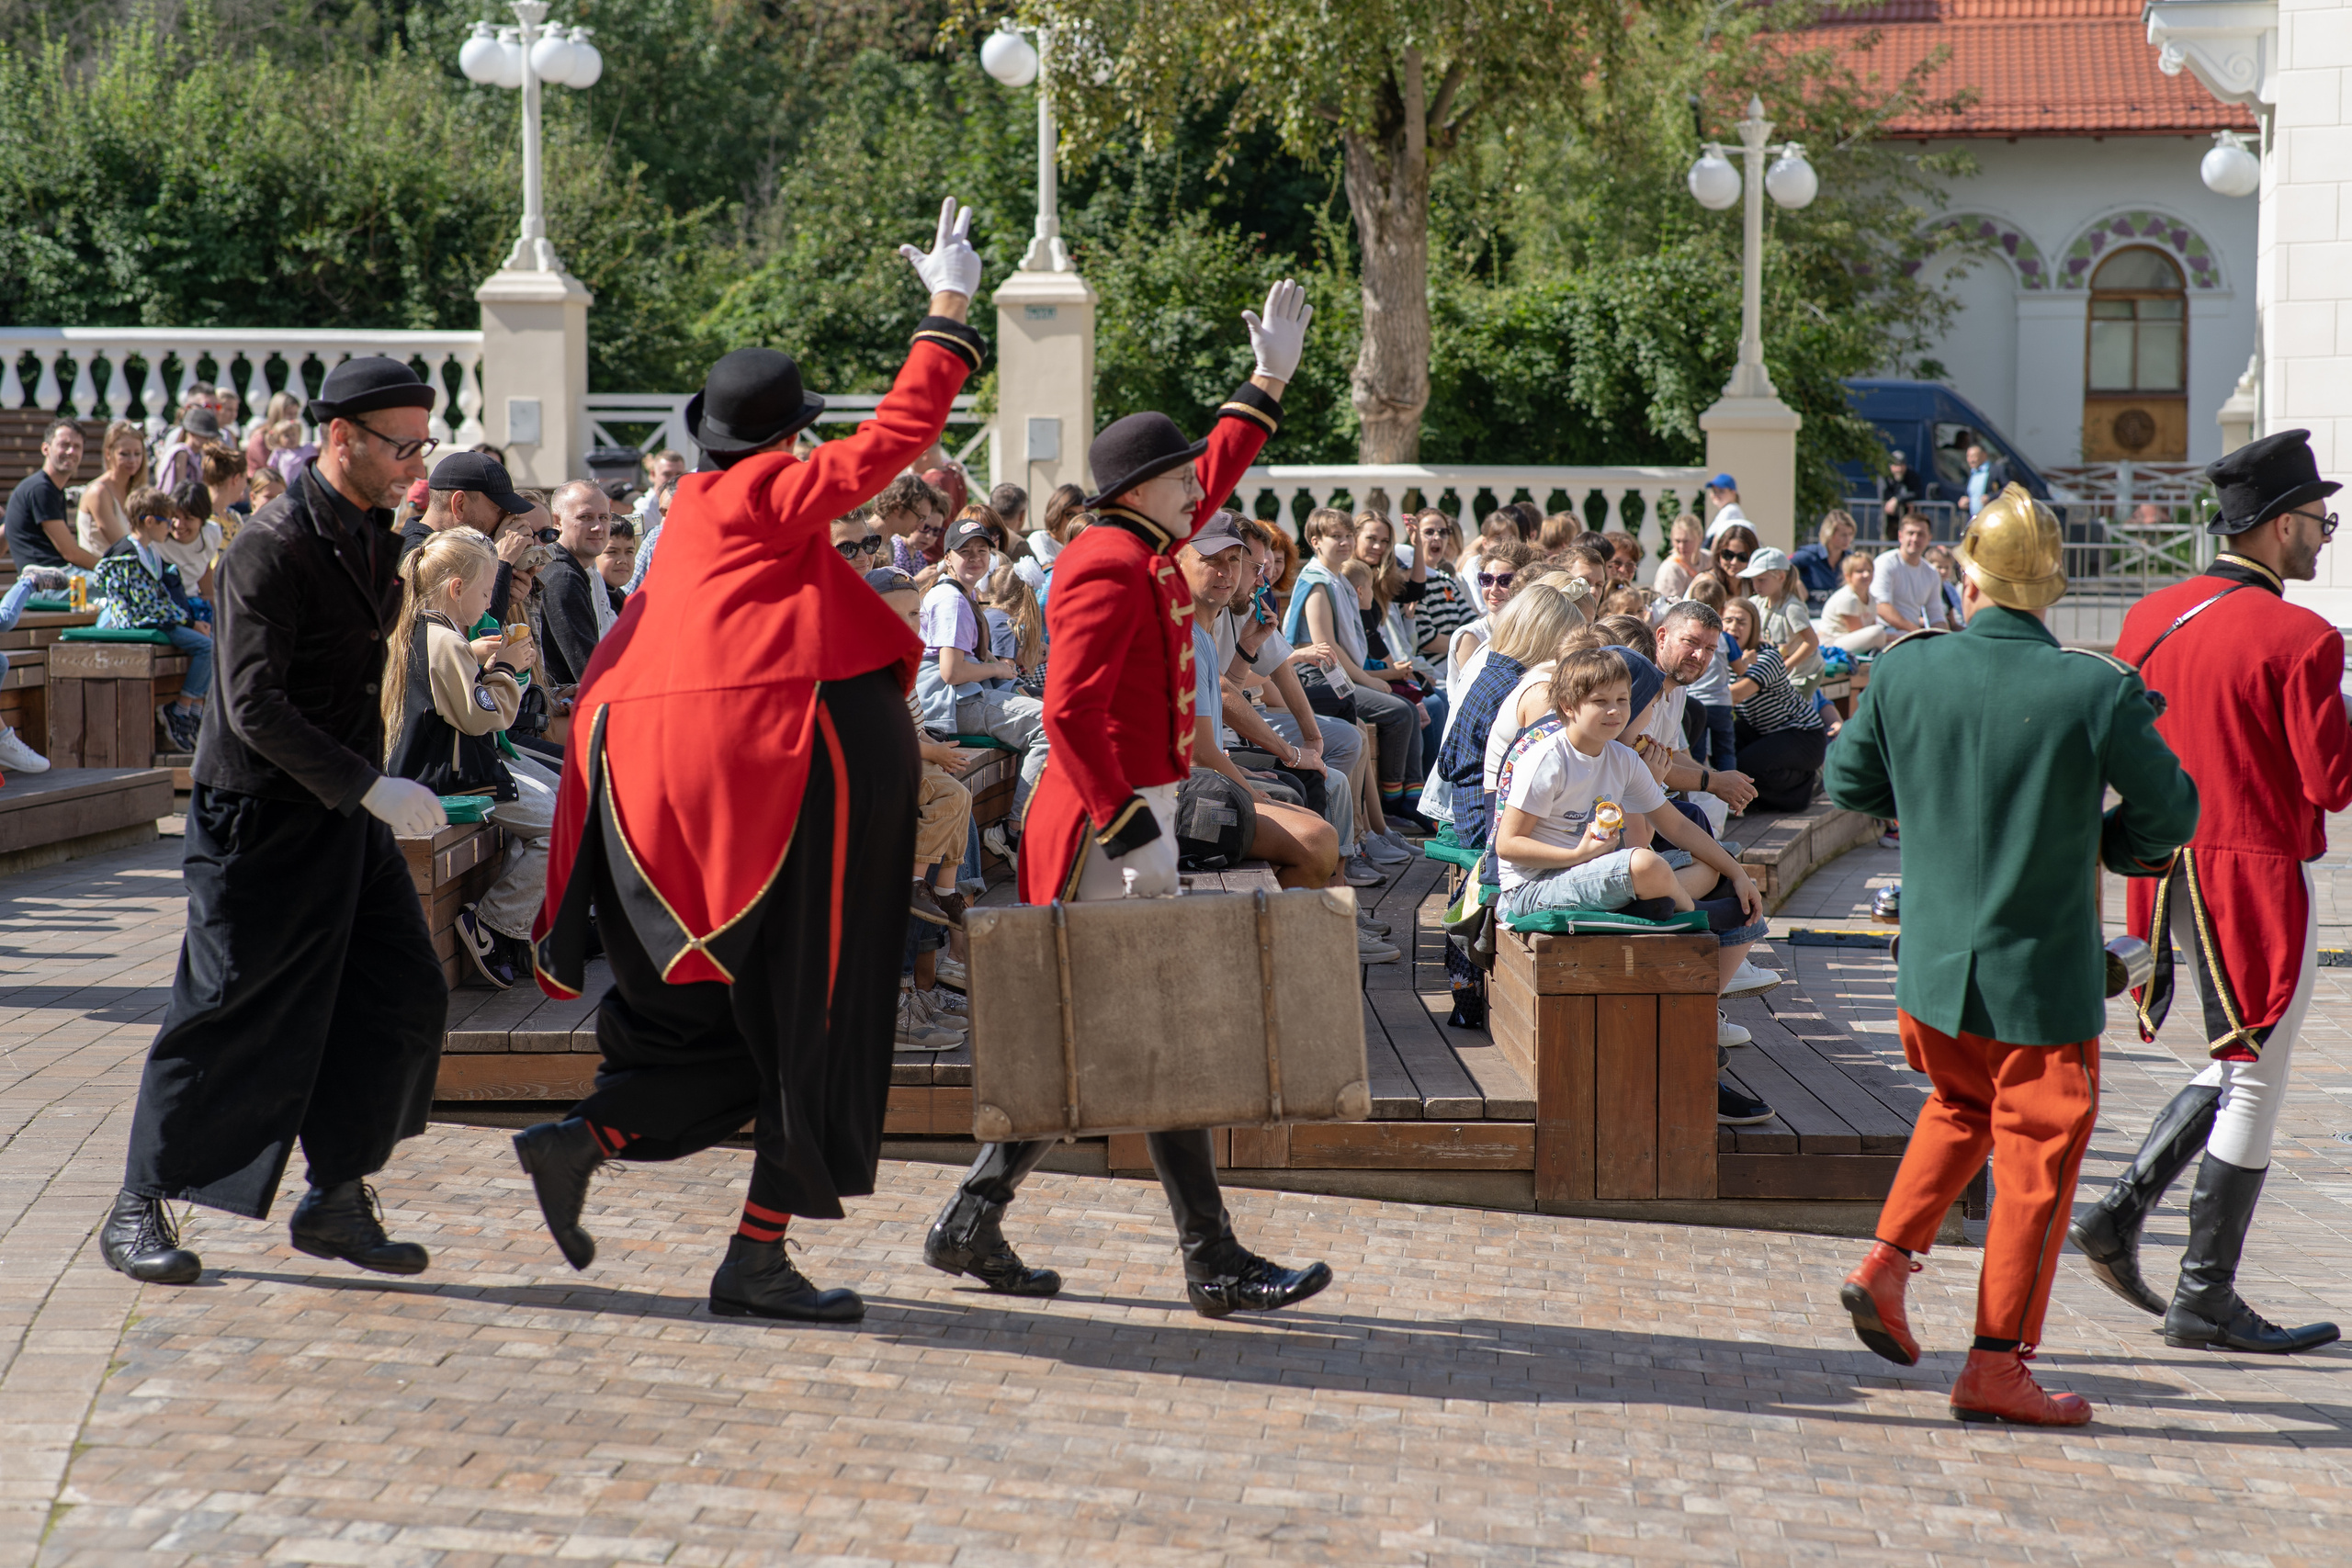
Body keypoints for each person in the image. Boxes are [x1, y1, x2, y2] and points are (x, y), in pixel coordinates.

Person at [509, 196, 989, 1324]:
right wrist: (947, 311)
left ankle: (586, 1141)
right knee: (813, 1018)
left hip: (691, 789)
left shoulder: (697, 510)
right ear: (786, 440)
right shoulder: (767, 491)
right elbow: (893, 440)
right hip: (772, 794)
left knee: (744, 1029)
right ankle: (756, 1259)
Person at [925, 277, 1334, 1319]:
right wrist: (1128, 820)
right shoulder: (1107, 567)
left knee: (1117, 1032)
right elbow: (1068, 714)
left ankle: (978, 1218)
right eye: (1183, 481)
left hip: (1129, 814)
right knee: (1151, 1030)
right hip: (1104, 824)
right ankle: (1210, 1259)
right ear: (1145, 489)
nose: (1202, 492)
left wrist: (1267, 383)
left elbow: (1218, 462)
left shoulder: (1138, 542)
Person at [1829, 483, 2198, 1426]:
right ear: (2053, 587)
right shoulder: (2095, 685)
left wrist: (1938, 811)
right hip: (2038, 977)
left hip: (1932, 969)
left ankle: (1887, 1261)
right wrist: (2104, 846)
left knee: (1959, 1107)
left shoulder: (1907, 668)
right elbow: (2172, 813)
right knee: (2038, 1154)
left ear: (1967, 578)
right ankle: (1996, 1362)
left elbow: (1848, 780)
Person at [99, 355, 450, 1288]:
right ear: (342, 438)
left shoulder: (374, 532)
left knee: (401, 995)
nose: (416, 465)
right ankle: (139, 1199)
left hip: (341, 811)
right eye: (403, 447)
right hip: (256, 816)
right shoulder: (272, 542)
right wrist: (369, 786)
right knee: (225, 1009)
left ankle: (336, 1195)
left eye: (424, 445)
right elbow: (253, 703)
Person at [2072, 429, 2350, 1357]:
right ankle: (2203, 1294)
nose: (2324, 538)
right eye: (2319, 522)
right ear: (2277, 526)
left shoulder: (2149, 615)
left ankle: (2121, 1211)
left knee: (2242, 1060)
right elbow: (2331, 783)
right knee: (2258, 1075)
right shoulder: (2303, 637)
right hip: (2254, 866)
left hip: (2165, 868)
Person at [379, 528, 557, 991]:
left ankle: (517, 929)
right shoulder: (445, 640)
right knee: (563, 829)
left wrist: (481, 663)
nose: (487, 604)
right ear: (457, 589)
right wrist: (508, 669)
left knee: (551, 813)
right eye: (484, 592)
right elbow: (484, 716)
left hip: (425, 769)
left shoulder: (417, 627)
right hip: (450, 776)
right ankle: (495, 924)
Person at [912, 516, 1049, 801]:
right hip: (950, 703)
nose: (974, 557)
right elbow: (952, 672)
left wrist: (1003, 674)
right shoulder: (951, 600)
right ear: (947, 558)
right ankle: (1017, 824)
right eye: (965, 551)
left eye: (982, 550)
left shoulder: (962, 593)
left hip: (959, 697)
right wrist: (998, 669)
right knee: (1049, 725)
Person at [92, 487, 213, 753]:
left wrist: (189, 620)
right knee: (207, 647)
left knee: (215, 641)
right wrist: (190, 623)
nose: (171, 527)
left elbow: (161, 600)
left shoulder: (149, 552)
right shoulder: (128, 554)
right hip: (138, 623)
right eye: (167, 521)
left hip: (153, 619)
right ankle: (180, 709)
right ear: (150, 521)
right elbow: (148, 606)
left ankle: (195, 711)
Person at [1720, 598, 1826, 812]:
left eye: (1741, 622)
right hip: (1762, 731)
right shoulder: (1723, 660)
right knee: (1723, 747)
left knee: (1745, 766)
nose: (1733, 626)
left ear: (1753, 628)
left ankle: (1804, 787)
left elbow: (1735, 695)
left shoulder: (1768, 657)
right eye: (1728, 620)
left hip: (1803, 734)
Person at [537, 479, 616, 686]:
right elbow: (589, 672)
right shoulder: (563, 577)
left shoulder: (585, 571)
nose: (598, 527)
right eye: (585, 517)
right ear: (557, 521)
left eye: (604, 517)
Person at [6, 420, 98, 573]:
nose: (71, 451)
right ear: (45, 449)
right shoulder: (40, 489)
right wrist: (107, 568)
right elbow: (70, 553)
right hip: (45, 579)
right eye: (64, 445)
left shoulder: (52, 490)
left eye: (77, 446)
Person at [1737, 546, 1824, 701]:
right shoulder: (1756, 603)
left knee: (1792, 710)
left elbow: (1811, 642)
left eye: (1761, 580)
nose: (1756, 585)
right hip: (1778, 673)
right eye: (1753, 580)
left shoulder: (1792, 608)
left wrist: (1786, 666)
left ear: (1781, 577)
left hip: (1801, 675)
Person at [75, 419, 147, 558]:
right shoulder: (98, 492)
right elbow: (122, 546)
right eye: (124, 454)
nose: (132, 460)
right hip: (99, 568)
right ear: (108, 453)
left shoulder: (135, 490)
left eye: (137, 454)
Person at [1872, 513, 1950, 635]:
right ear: (1900, 536)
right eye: (1910, 533)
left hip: (1912, 636)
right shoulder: (1885, 563)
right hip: (1885, 634)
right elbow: (1881, 606)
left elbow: (1936, 615)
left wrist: (1944, 640)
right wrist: (1917, 632)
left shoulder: (1931, 573)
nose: (1915, 539)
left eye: (1921, 534)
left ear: (1929, 539)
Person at [1819, 551, 1886, 655]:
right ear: (1848, 575)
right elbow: (1858, 632)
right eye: (1860, 571)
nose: (1866, 575)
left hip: (1852, 641)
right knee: (1879, 633)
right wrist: (1891, 637)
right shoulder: (1847, 598)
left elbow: (1871, 627)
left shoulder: (1871, 598)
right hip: (1832, 644)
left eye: (1869, 570)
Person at [1790, 512, 1856, 602]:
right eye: (1843, 535)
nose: (1848, 539)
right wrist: (1796, 582)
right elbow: (1784, 566)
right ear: (1829, 533)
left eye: (1850, 534)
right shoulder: (1809, 554)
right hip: (1811, 608)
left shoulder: (1851, 559)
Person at [1653, 515, 1704, 597]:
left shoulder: (1709, 559)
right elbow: (1669, 603)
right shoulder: (1670, 569)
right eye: (1677, 541)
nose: (1681, 546)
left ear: (1700, 538)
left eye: (1686, 541)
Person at [1876, 451, 1927, 524]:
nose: (1899, 469)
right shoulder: (1884, 476)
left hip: (1907, 518)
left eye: (1901, 465)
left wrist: (1897, 500)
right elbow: (1884, 494)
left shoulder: (1911, 475)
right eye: (1896, 465)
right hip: (1888, 519)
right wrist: (1903, 499)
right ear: (1890, 466)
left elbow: (1916, 493)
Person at [1702, 473, 1747, 543]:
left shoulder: (1731, 510)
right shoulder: (1728, 509)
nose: (1716, 495)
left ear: (1733, 493)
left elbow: (1716, 539)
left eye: (1721, 491)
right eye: (1714, 491)